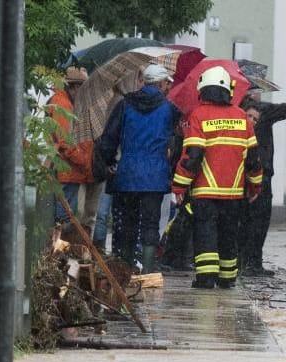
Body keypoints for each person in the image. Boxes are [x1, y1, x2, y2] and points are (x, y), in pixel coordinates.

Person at [171, 65, 263, 289]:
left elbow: (192, 156)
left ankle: (205, 278)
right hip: (233, 193)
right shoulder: (242, 117)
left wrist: (179, 187)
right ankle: (228, 277)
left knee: (206, 233)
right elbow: (253, 159)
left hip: (205, 191)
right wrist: (255, 186)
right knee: (229, 234)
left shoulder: (199, 115)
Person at [96, 64, 178, 271]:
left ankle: (125, 268)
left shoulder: (124, 105)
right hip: (155, 176)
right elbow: (177, 143)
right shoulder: (169, 109)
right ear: (159, 83)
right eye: (166, 82)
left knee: (127, 224)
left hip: (127, 174)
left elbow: (108, 139)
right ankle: (148, 270)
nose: (168, 86)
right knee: (151, 224)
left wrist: (108, 163)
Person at [240, 93, 286, 277]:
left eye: (255, 118)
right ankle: (246, 262)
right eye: (250, 117)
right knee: (249, 222)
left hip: (261, 175)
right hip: (247, 177)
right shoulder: (249, 117)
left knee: (258, 222)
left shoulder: (262, 112)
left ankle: (251, 262)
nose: (253, 120)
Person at [48, 66, 103, 227]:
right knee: (65, 220)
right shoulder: (63, 105)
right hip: (68, 170)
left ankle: (64, 248)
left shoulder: (64, 102)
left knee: (67, 218)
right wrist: (86, 163)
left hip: (69, 170)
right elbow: (66, 142)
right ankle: (62, 251)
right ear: (76, 87)